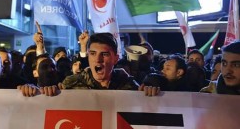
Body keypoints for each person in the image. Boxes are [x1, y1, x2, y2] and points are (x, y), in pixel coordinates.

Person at [19, 32, 159, 96]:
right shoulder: (70, 84)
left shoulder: (130, 86)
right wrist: (34, 91)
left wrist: (150, 95)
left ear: (115, 59)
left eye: (104, 54)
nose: (97, 60)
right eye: (92, 54)